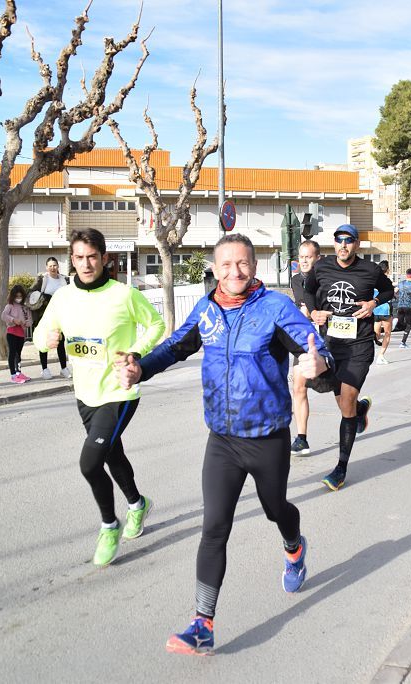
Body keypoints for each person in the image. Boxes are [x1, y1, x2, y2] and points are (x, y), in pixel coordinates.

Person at [116, 232, 333, 656]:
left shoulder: (274, 307)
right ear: (214, 268)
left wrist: (319, 364)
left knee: (277, 510)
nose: (235, 272)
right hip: (222, 440)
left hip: (267, 436)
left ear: (255, 267)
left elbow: (313, 348)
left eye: (243, 264)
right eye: (226, 264)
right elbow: (175, 347)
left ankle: (294, 546)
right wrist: (141, 368)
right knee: (214, 527)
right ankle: (203, 623)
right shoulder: (207, 309)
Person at [32, 228, 165, 568]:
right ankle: (138, 504)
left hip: (119, 391)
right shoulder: (62, 297)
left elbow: (156, 325)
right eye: (79, 257)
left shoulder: (123, 295)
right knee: (111, 454)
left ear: (104, 258)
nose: (86, 263)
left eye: (92, 256)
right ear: (72, 260)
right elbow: (40, 333)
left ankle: (109, 525)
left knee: (90, 462)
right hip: (85, 393)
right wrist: (46, 339)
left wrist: (135, 352)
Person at [303, 224, 394, 490]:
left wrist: (373, 304)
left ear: (357, 244)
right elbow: (308, 290)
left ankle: (341, 468)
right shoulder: (322, 267)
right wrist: (313, 311)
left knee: (347, 403)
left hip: (360, 345)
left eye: (349, 241)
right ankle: (360, 412)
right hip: (331, 344)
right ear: (334, 243)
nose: (344, 245)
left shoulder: (371, 270)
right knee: (344, 402)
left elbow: (388, 290)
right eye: (339, 240)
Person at [289, 239, 322, 457]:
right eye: (301, 256)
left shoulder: (325, 279)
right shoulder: (295, 280)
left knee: (342, 393)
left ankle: (357, 410)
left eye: (308, 256)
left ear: (317, 258)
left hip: (329, 339)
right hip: (305, 340)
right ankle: (301, 438)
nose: (304, 260)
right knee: (298, 387)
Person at [29, 256, 71, 380]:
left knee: (60, 343)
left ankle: (64, 368)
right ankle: (44, 369)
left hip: (60, 316)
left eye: (55, 265)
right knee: (44, 342)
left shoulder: (65, 280)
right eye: (50, 266)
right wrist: (46, 298)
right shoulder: (42, 280)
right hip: (44, 316)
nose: (53, 268)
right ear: (46, 267)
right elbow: (32, 294)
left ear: (58, 266)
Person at [1, 284, 33, 383]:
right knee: (12, 353)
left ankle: (18, 372)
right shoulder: (9, 306)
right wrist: (13, 320)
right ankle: (13, 375)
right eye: (17, 296)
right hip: (11, 332)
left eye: (20, 296)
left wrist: (26, 323)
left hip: (21, 333)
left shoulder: (25, 308)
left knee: (18, 354)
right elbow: (4, 315)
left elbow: (30, 320)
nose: (18, 298)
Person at [394, 268, 411, 348]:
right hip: (408, 306)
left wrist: (397, 298)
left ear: (406, 274)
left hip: (400, 306)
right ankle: (403, 343)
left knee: (400, 323)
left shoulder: (400, 283)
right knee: (409, 325)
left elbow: (395, 292)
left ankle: (396, 322)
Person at [373, 260, 393, 364]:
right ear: (387, 270)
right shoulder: (387, 282)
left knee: (376, 334)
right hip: (386, 310)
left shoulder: (372, 280)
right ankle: (380, 356)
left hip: (375, 310)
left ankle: (372, 350)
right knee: (387, 334)